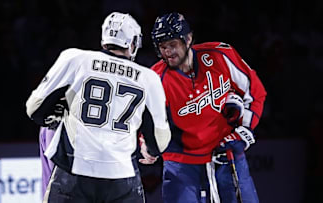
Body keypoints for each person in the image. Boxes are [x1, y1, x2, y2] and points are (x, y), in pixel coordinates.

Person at [26, 12, 171, 203]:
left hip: (74, 171)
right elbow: (160, 142)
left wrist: (59, 113)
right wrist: (149, 148)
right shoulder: (148, 77)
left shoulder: (75, 58)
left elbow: (34, 108)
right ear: (132, 43)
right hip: (121, 176)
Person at [140, 12, 267, 203]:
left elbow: (255, 91)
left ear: (188, 38)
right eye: (162, 46)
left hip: (227, 154)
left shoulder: (220, 56)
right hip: (182, 164)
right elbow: (145, 118)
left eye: (172, 44)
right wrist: (145, 143)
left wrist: (245, 131)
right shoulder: (156, 78)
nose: (167, 51)